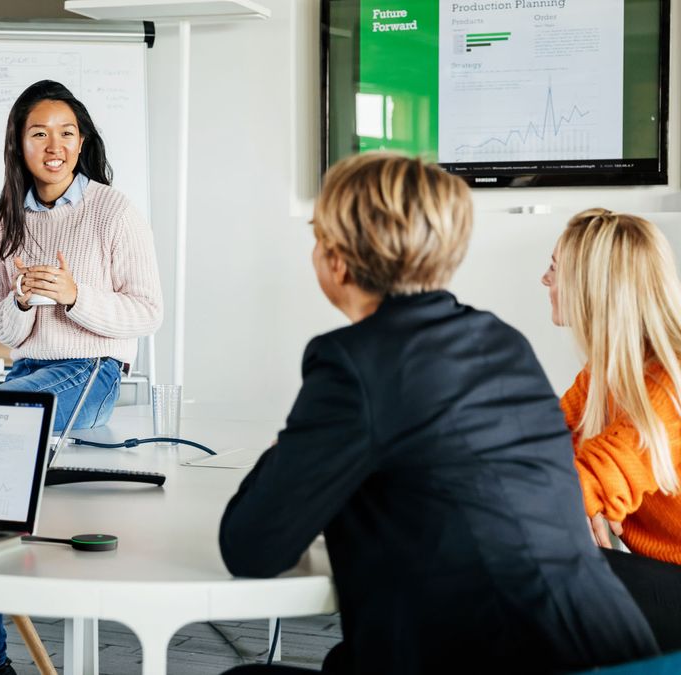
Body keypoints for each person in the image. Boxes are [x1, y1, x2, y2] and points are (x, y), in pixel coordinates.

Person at [218, 153, 658, 674]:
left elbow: (251, 547)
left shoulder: (353, 362)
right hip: (611, 650)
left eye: (318, 235)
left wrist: (288, 454)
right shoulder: (502, 341)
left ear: (336, 259)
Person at [0, 80, 163, 674]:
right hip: (28, 370)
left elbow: (148, 312)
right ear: (18, 145)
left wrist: (76, 297)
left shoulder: (113, 209)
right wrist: (24, 301)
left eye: (66, 132)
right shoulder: (6, 222)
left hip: (93, 371)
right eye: (38, 133)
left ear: (82, 142)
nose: (53, 145)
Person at [542, 208, 681, 650]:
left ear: (590, 287)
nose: (545, 281)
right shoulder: (605, 376)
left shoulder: (667, 386)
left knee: (537, 568)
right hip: (664, 579)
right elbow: (543, 443)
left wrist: (584, 499)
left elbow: (573, 486)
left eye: (554, 268)